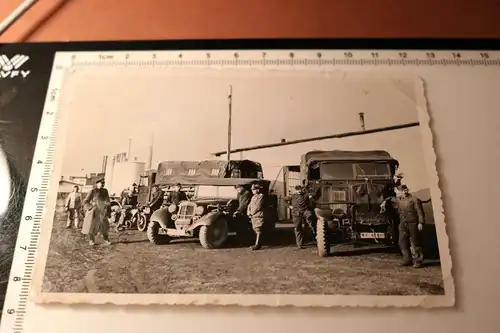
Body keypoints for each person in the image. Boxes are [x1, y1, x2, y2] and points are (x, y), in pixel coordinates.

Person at [394, 185, 426, 268]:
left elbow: (420, 212)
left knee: (415, 243)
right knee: (402, 241)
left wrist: (420, 223)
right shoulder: (399, 200)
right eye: (397, 191)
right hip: (403, 223)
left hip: (413, 223)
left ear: (405, 191)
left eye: (399, 191)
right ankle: (407, 259)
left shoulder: (415, 200)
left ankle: (418, 261)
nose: (397, 193)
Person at [81, 178, 111, 246]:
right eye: (101, 183)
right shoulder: (92, 191)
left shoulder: (105, 191)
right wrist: (91, 207)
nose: (103, 184)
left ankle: (106, 239)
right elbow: (85, 201)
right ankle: (91, 240)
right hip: (94, 212)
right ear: (97, 183)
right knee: (92, 226)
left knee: (104, 226)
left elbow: (108, 201)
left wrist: (109, 210)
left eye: (104, 183)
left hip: (102, 211)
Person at [285, 185, 315, 249]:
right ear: (296, 190)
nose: (299, 191)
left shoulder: (305, 195)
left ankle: (313, 229)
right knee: (298, 228)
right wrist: (289, 206)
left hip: (305, 211)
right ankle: (299, 244)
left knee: (310, 216)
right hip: (296, 213)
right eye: (298, 190)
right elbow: (284, 199)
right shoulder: (292, 196)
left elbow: (313, 194)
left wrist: (310, 194)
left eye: (300, 189)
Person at [247, 183, 266, 251]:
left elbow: (258, 206)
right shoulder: (253, 197)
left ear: (258, 190)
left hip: (258, 215)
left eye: (254, 189)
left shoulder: (261, 196)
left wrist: (251, 213)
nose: (252, 191)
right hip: (253, 215)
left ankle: (257, 244)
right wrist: (248, 212)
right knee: (255, 229)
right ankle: (257, 243)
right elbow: (250, 205)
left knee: (258, 229)